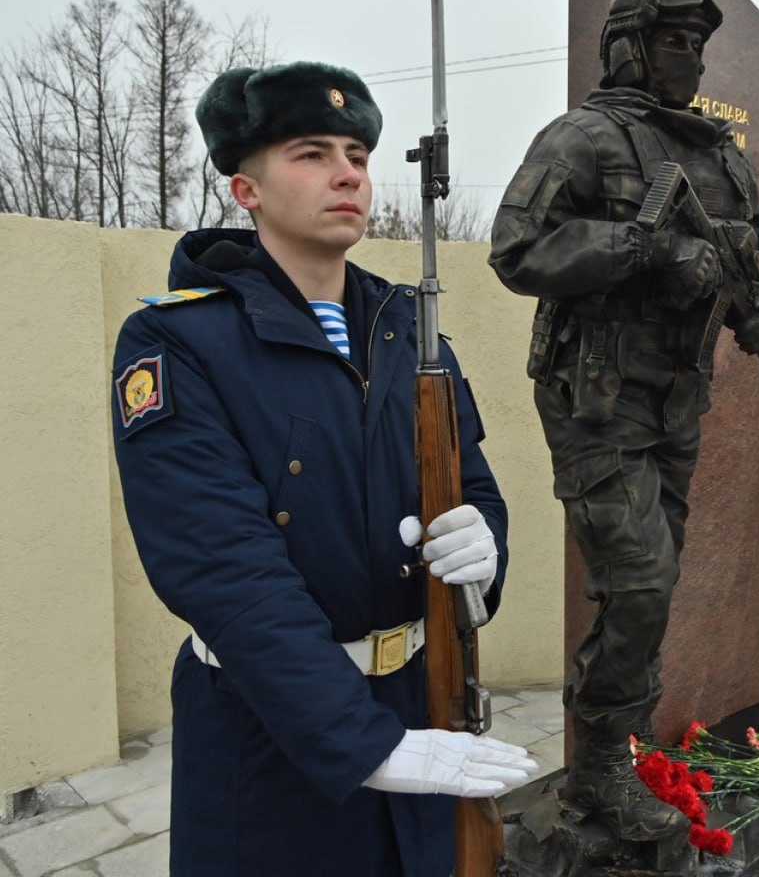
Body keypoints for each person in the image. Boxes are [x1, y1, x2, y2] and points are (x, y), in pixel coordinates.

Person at [111, 61, 536, 877]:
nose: (347, 173)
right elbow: (221, 566)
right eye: (311, 153)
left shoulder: (409, 328)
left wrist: (487, 545)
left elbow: (467, 479)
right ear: (247, 191)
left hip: (421, 701)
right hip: (269, 736)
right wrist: (361, 742)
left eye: (357, 154)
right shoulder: (178, 344)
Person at [488, 0, 759, 842]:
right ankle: (596, 775)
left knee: (649, 593)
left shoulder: (720, 157)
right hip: (595, 400)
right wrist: (644, 251)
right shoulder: (583, 138)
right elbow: (516, 247)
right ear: (628, 47)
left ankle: (617, 752)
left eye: (696, 46)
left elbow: (740, 274)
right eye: (670, 43)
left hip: (676, 399)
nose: (688, 59)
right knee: (642, 581)